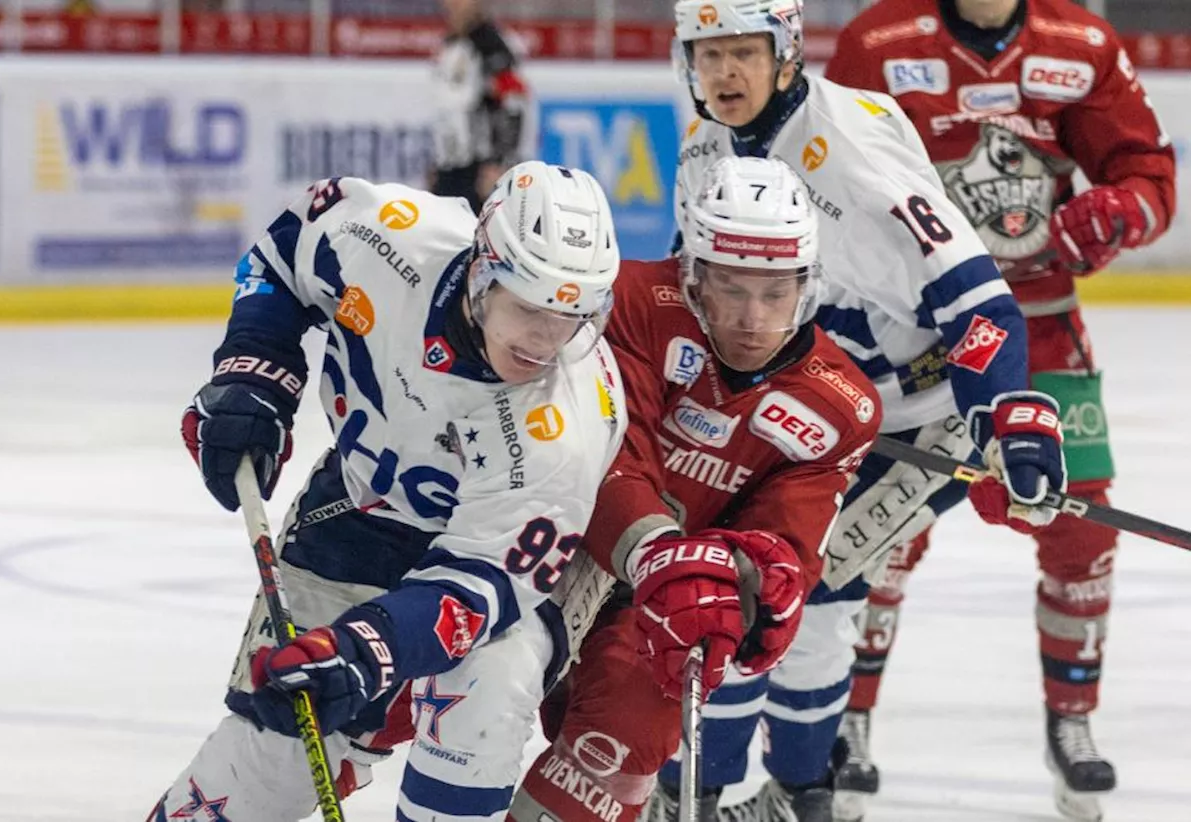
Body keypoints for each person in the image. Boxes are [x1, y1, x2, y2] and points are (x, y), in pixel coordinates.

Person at [634, 1, 1070, 820]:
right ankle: (750, 789)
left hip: (917, 416)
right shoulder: (702, 149)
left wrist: (999, 419)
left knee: (803, 589)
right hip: (801, 401)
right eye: (708, 54)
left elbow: (980, 307)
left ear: (787, 52)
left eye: (742, 53)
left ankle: (783, 792)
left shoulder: (853, 153)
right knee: (737, 578)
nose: (724, 74)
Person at [148, 160, 628, 822]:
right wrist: (254, 372)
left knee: (484, 698)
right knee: (268, 759)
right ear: (482, 272)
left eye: (569, 317)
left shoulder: (566, 422)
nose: (547, 342)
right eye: (528, 309)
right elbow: (284, 255)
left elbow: (476, 590)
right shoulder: (390, 235)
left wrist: (366, 652)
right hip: (359, 510)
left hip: (510, 558)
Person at [823, 1, 1176, 819]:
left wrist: (1120, 209)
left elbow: (1149, 176)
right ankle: (848, 722)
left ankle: (1072, 722)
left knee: (1081, 528)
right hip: (913, 334)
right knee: (879, 531)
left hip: (1043, 332)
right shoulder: (879, 42)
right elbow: (827, 182)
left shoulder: (1081, 43)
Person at [507, 155, 884, 822]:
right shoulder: (629, 304)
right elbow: (610, 457)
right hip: (542, 547)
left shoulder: (840, 407)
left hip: (662, 600)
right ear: (694, 274)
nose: (753, 318)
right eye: (732, 290)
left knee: (622, 739)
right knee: (460, 721)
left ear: (810, 285)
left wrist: (753, 585)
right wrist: (662, 554)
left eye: (776, 293)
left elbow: (783, 543)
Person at [430, 0, 529, 214]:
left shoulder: (491, 43)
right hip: (451, 163)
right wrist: (439, 162)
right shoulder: (452, 43)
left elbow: (512, 100)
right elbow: (450, 108)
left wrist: (499, 162)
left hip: (479, 166)